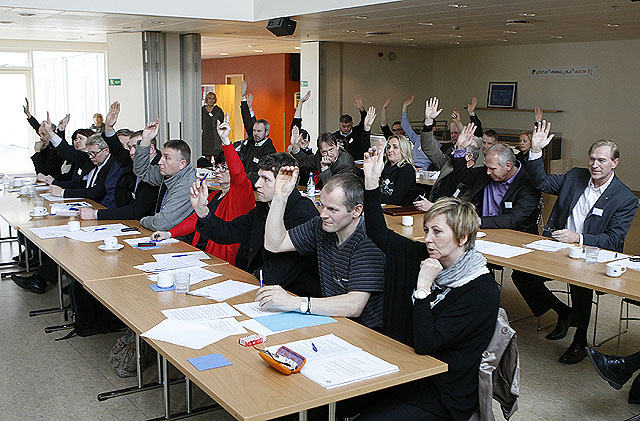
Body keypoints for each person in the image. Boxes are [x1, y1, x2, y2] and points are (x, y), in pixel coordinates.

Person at [348, 145, 499, 420]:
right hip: (407, 370)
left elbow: (426, 343)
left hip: (442, 391)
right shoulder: (429, 256)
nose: (427, 238)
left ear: (463, 237)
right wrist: (371, 183)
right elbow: (379, 234)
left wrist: (423, 289)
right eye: (427, 230)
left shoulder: (480, 289)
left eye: (437, 232)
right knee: (334, 402)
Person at [514, 121, 638, 364]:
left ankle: (580, 340)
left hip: (591, 253)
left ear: (615, 163)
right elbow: (540, 183)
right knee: (522, 274)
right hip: (556, 246)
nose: (595, 164)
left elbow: (614, 240)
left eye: (602, 160)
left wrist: (578, 238)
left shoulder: (625, 198)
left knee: (582, 286)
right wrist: (536, 151)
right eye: (592, 158)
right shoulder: (575, 176)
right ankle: (563, 312)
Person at [259, 170, 386, 330]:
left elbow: (354, 305)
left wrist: (293, 302)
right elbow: (274, 244)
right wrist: (280, 197)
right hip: (333, 320)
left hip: (367, 332)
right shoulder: (321, 226)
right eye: (322, 205)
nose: (323, 215)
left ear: (356, 211)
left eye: (333, 210)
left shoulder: (368, 240)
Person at [192, 152, 320, 297]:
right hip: (261, 287)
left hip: (294, 297)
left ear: (285, 183)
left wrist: (242, 284)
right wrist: (202, 209)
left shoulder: (303, 214)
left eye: (266, 179)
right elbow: (228, 232)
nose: (257, 184)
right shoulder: (264, 207)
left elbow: (279, 273)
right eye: (259, 177)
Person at [152, 113, 255, 265]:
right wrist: (170, 233)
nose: (219, 171)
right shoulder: (215, 195)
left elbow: (238, 173)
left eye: (225, 168)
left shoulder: (241, 193)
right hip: (201, 254)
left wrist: (225, 141)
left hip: (224, 260)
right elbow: (196, 219)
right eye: (218, 167)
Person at [77, 102, 160, 221]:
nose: (131, 152)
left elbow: (136, 211)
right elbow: (118, 150)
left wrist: (95, 215)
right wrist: (109, 128)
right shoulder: (135, 160)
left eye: (136, 147)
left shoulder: (159, 168)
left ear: (150, 148)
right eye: (129, 147)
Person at [133, 119, 197, 231]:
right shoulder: (170, 173)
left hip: (181, 241)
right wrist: (146, 140)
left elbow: (161, 224)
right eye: (161, 156)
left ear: (182, 164)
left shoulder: (187, 184)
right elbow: (141, 170)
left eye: (166, 158)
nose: (160, 161)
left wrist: (142, 220)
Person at [291, 106, 375, 189]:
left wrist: (324, 168)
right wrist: (295, 146)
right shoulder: (319, 156)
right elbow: (305, 160)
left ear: (337, 146)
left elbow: (333, 189)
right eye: (324, 152)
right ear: (320, 151)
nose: (328, 154)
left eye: (331, 149)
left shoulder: (345, 162)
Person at [238, 81, 276, 185]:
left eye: (259, 131)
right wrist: (243, 98)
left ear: (266, 133)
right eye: (254, 131)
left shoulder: (269, 149)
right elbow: (246, 120)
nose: (255, 133)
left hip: (257, 185)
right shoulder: (252, 140)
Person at [398, 95, 438, 169]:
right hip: (409, 167)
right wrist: (405, 107)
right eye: (423, 127)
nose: (424, 129)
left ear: (434, 128)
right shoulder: (418, 138)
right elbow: (405, 127)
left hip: (423, 170)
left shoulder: (436, 144)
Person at [379, 134, 417, 206]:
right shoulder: (384, 166)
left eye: (395, 147)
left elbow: (395, 199)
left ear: (404, 150)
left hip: (399, 210)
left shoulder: (407, 169)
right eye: (388, 147)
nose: (390, 150)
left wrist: (372, 198)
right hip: (383, 207)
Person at [332, 94, 370, 160]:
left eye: (348, 126)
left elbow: (365, 121)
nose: (346, 129)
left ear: (352, 124)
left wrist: (362, 110)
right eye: (343, 126)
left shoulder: (357, 131)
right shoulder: (335, 136)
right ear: (339, 125)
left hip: (356, 162)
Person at [201, 91, 224, 158]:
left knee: (217, 157)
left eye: (213, 98)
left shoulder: (218, 110)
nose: (211, 100)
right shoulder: (202, 110)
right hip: (206, 136)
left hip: (216, 137)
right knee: (207, 157)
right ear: (206, 99)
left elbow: (222, 122)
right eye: (210, 98)